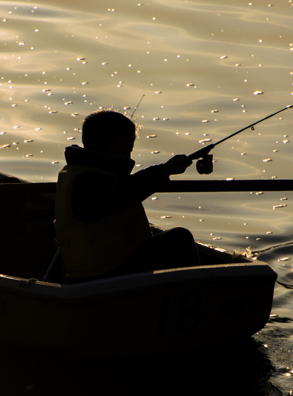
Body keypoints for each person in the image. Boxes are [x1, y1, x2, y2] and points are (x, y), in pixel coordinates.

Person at [54, 109, 198, 280]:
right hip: (106, 277)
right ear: (98, 149)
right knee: (179, 239)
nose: (128, 159)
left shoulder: (94, 176)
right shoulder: (86, 182)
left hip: (116, 267)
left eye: (130, 152)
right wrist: (163, 171)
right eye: (122, 152)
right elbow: (121, 193)